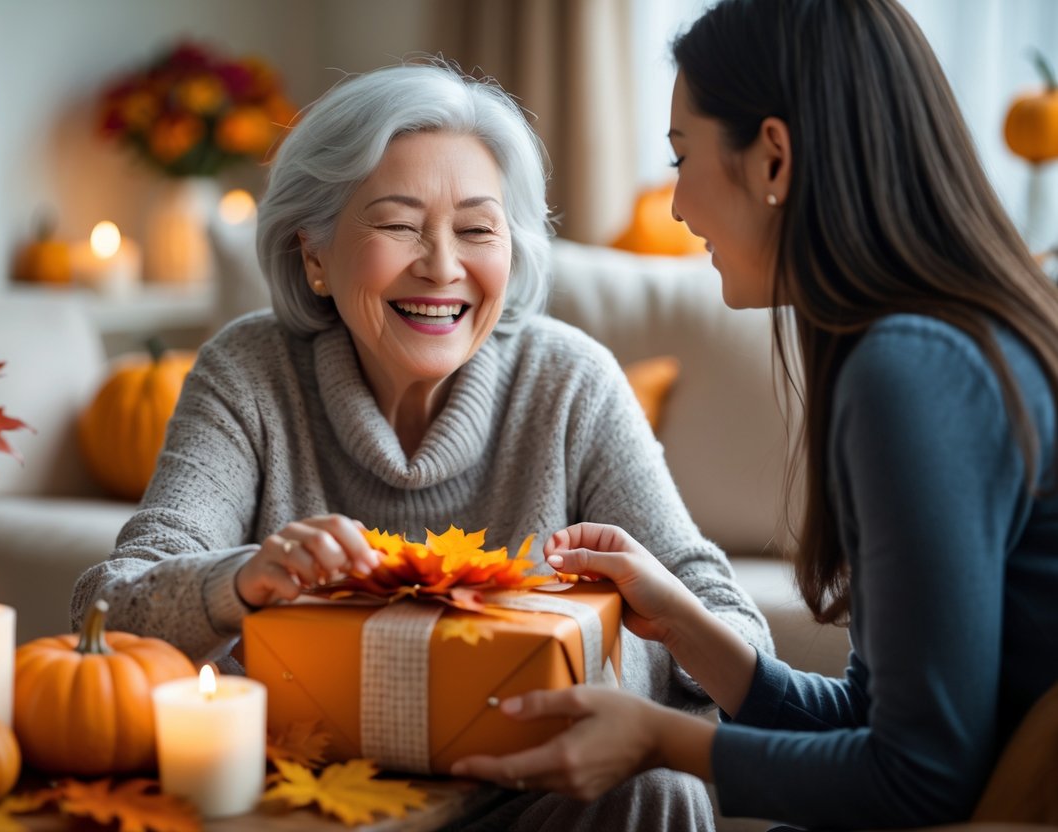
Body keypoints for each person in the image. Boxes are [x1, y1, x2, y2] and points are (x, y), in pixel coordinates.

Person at [71, 58, 772, 830]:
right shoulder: (249, 372)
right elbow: (104, 611)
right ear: (314, 254)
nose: (442, 266)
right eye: (398, 224)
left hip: (523, 798)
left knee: (660, 793)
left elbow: (736, 635)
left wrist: (591, 645)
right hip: (308, 800)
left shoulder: (570, 381)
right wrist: (240, 579)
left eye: (476, 229)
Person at [451, 0, 1058, 828]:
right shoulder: (951, 339)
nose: (672, 206)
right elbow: (880, 728)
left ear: (772, 157)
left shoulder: (911, 368)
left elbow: (917, 779)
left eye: (680, 156)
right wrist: (687, 626)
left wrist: (659, 740)